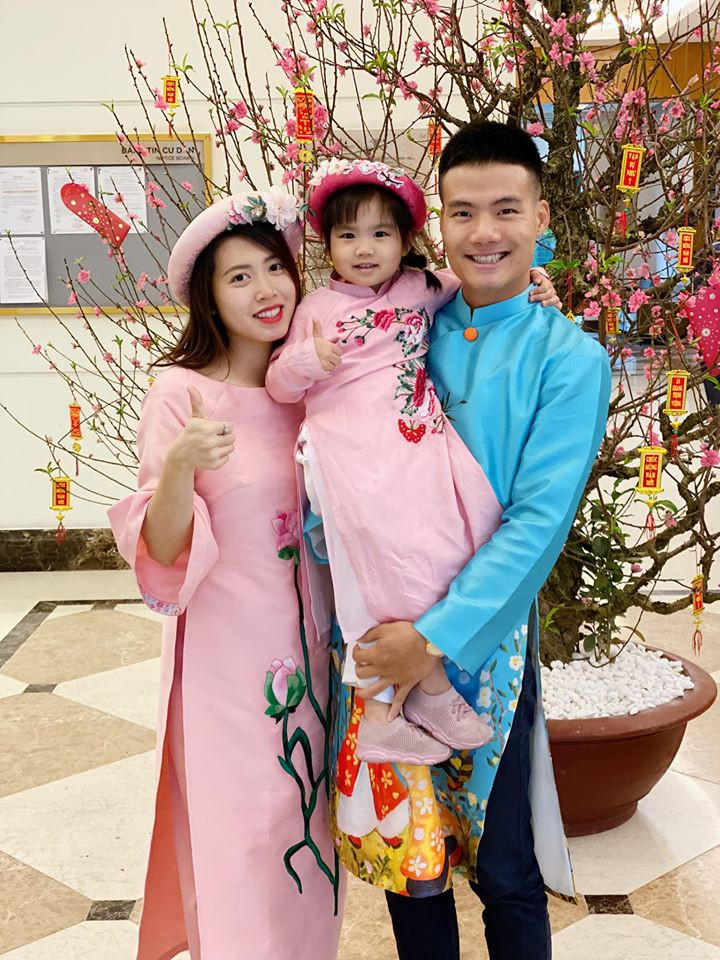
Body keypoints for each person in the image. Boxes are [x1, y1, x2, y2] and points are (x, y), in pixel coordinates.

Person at [334, 122, 612, 959]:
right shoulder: (401, 324)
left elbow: (538, 524)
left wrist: (433, 641)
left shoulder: (569, 359)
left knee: (505, 868)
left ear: (540, 217)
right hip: (379, 633)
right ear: (440, 222)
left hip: (482, 649)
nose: (484, 232)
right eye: (462, 212)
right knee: (411, 866)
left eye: (505, 210)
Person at [108, 190, 343, 960]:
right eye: (239, 277)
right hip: (226, 670)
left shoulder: (306, 387)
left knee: (306, 836)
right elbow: (161, 552)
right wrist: (179, 466)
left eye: (275, 268)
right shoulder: (180, 393)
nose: (266, 289)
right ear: (208, 297)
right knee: (237, 841)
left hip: (315, 657)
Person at [265, 158, 560, 768]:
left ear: (405, 241)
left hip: (411, 450)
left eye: (381, 234)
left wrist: (537, 280)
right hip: (348, 456)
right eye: (348, 235)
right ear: (327, 245)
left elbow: (481, 281)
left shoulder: (422, 288)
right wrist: (306, 360)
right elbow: (277, 383)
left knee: (439, 549)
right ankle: (385, 710)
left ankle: (426, 683)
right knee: (369, 568)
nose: (364, 249)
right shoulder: (315, 308)